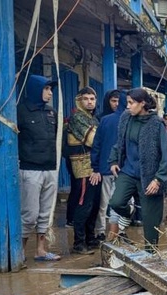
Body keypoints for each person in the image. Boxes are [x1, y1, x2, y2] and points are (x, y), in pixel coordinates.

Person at [108, 88, 167, 248]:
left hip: (150, 177)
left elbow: (165, 154)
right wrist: (114, 160)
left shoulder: (156, 124)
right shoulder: (126, 118)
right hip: (128, 172)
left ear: (142, 103)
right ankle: (130, 212)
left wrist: (159, 179)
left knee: (150, 223)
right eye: (127, 102)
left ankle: (151, 255)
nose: (127, 106)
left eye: (131, 103)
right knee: (116, 202)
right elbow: (119, 142)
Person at [17, 74, 61, 261]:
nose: (50, 93)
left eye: (50, 89)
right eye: (46, 89)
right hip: (30, 170)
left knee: (45, 213)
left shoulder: (51, 112)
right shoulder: (20, 111)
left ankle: (41, 250)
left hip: (50, 169)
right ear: (36, 89)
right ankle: (19, 251)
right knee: (29, 214)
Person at [65, 87, 100, 254]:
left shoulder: (92, 118)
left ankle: (90, 238)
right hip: (83, 167)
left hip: (94, 167)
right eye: (86, 98)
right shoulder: (77, 118)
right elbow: (93, 140)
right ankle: (79, 242)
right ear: (79, 100)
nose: (90, 102)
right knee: (84, 204)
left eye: (92, 98)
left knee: (93, 205)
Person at [90, 89, 126, 241]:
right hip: (125, 170)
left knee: (104, 203)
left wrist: (96, 167)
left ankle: (101, 232)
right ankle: (120, 232)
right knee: (123, 203)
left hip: (105, 169)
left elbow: (96, 145)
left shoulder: (104, 120)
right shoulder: (130, 120)